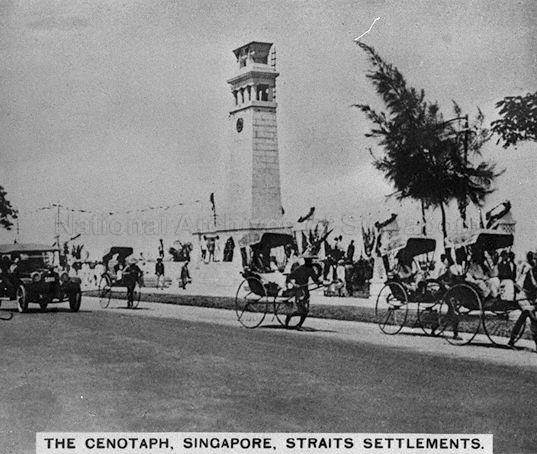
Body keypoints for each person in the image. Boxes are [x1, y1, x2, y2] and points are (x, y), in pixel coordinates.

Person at [508, 256, 537, 351]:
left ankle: (511, 341)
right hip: (522, 297)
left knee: (524, 317)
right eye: (534, 259)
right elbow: (533, 286)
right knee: (532, 318)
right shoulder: (530, 271)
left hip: (529, 299)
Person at [285, 253, 321, 318]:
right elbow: (288, 278)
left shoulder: (310, 269)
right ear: (306, 261)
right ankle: (290, 316)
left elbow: (315, 279)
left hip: (305, 291)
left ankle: (298, 324)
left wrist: (320, 283)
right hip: (298, 291)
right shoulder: (299, 269)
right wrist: (295, 284)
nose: (311, 262)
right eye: (309, 260)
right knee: (302, 310)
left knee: (305, 311)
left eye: (311, 260)